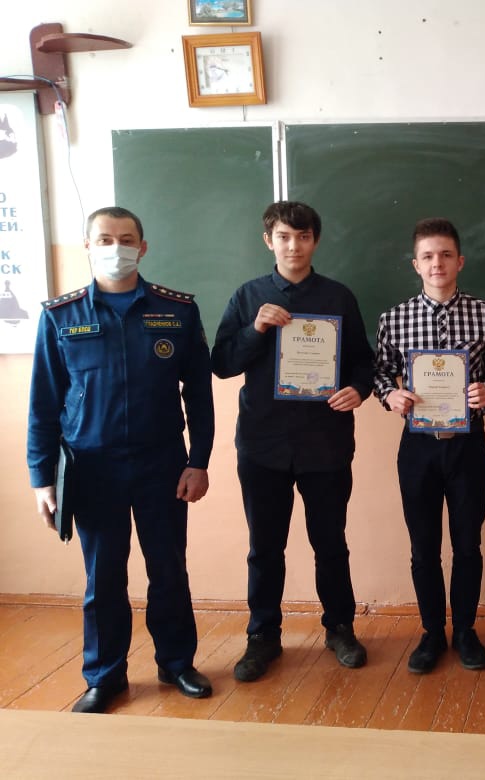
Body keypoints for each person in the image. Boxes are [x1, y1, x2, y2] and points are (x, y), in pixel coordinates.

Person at [27, 206, 215, 713]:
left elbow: (199, 395)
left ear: (143, 247)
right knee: (103, 576)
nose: (117, 248)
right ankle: (105, 676)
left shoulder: (177, 311)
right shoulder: (61, 316)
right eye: (105, 239)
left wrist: (199, 460)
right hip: (92, 469)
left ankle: (176, 663)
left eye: (127, 239)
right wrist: (42, 478)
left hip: (162, 465)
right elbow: (43, 403)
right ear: (88, 246)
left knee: (168, 569)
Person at [211, 201, 374, 682]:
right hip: (262, 445)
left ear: (315, 241)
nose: (294, 246)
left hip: (326, 443)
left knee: (331, 544)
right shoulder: (249, 296)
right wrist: (255, 329)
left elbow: (362, 361)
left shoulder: (338, 297)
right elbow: (222, 363)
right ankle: (263, 636)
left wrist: (358, 389)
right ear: (269, 241)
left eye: (303, 237)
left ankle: (340, 628)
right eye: (284, 236)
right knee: (264, 548)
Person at [374, 217, 485, 674]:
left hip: (468, 445)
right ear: (416, 264)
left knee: (468, 544)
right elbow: (379, 372)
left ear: (460, 261)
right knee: (423, 546)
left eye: (446, 255)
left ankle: (466, 631)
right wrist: (389, 395)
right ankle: (432, 632)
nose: (438, 263)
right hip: (418, 448)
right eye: (428, 256)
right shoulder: (394, 319)